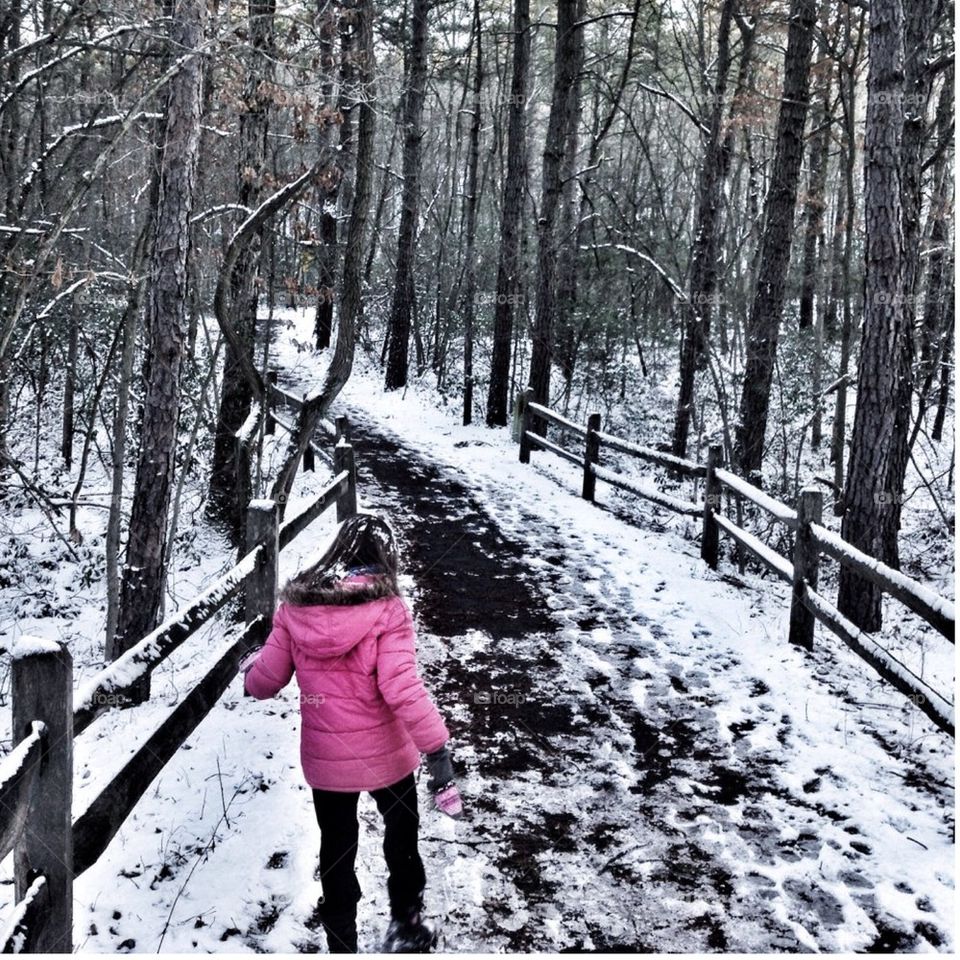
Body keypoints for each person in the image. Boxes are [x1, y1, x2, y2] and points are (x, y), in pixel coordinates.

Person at [240, 513, 462, 953]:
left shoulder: (295, 610)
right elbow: (401, 687)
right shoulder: (388, 610)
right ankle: (407, 923)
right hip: (387, 757)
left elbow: (265, 681)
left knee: (337, 849)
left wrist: (249, 669)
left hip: (327, 761)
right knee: (402, 837)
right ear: (386, 558)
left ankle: (342, 940)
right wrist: (436, 749)